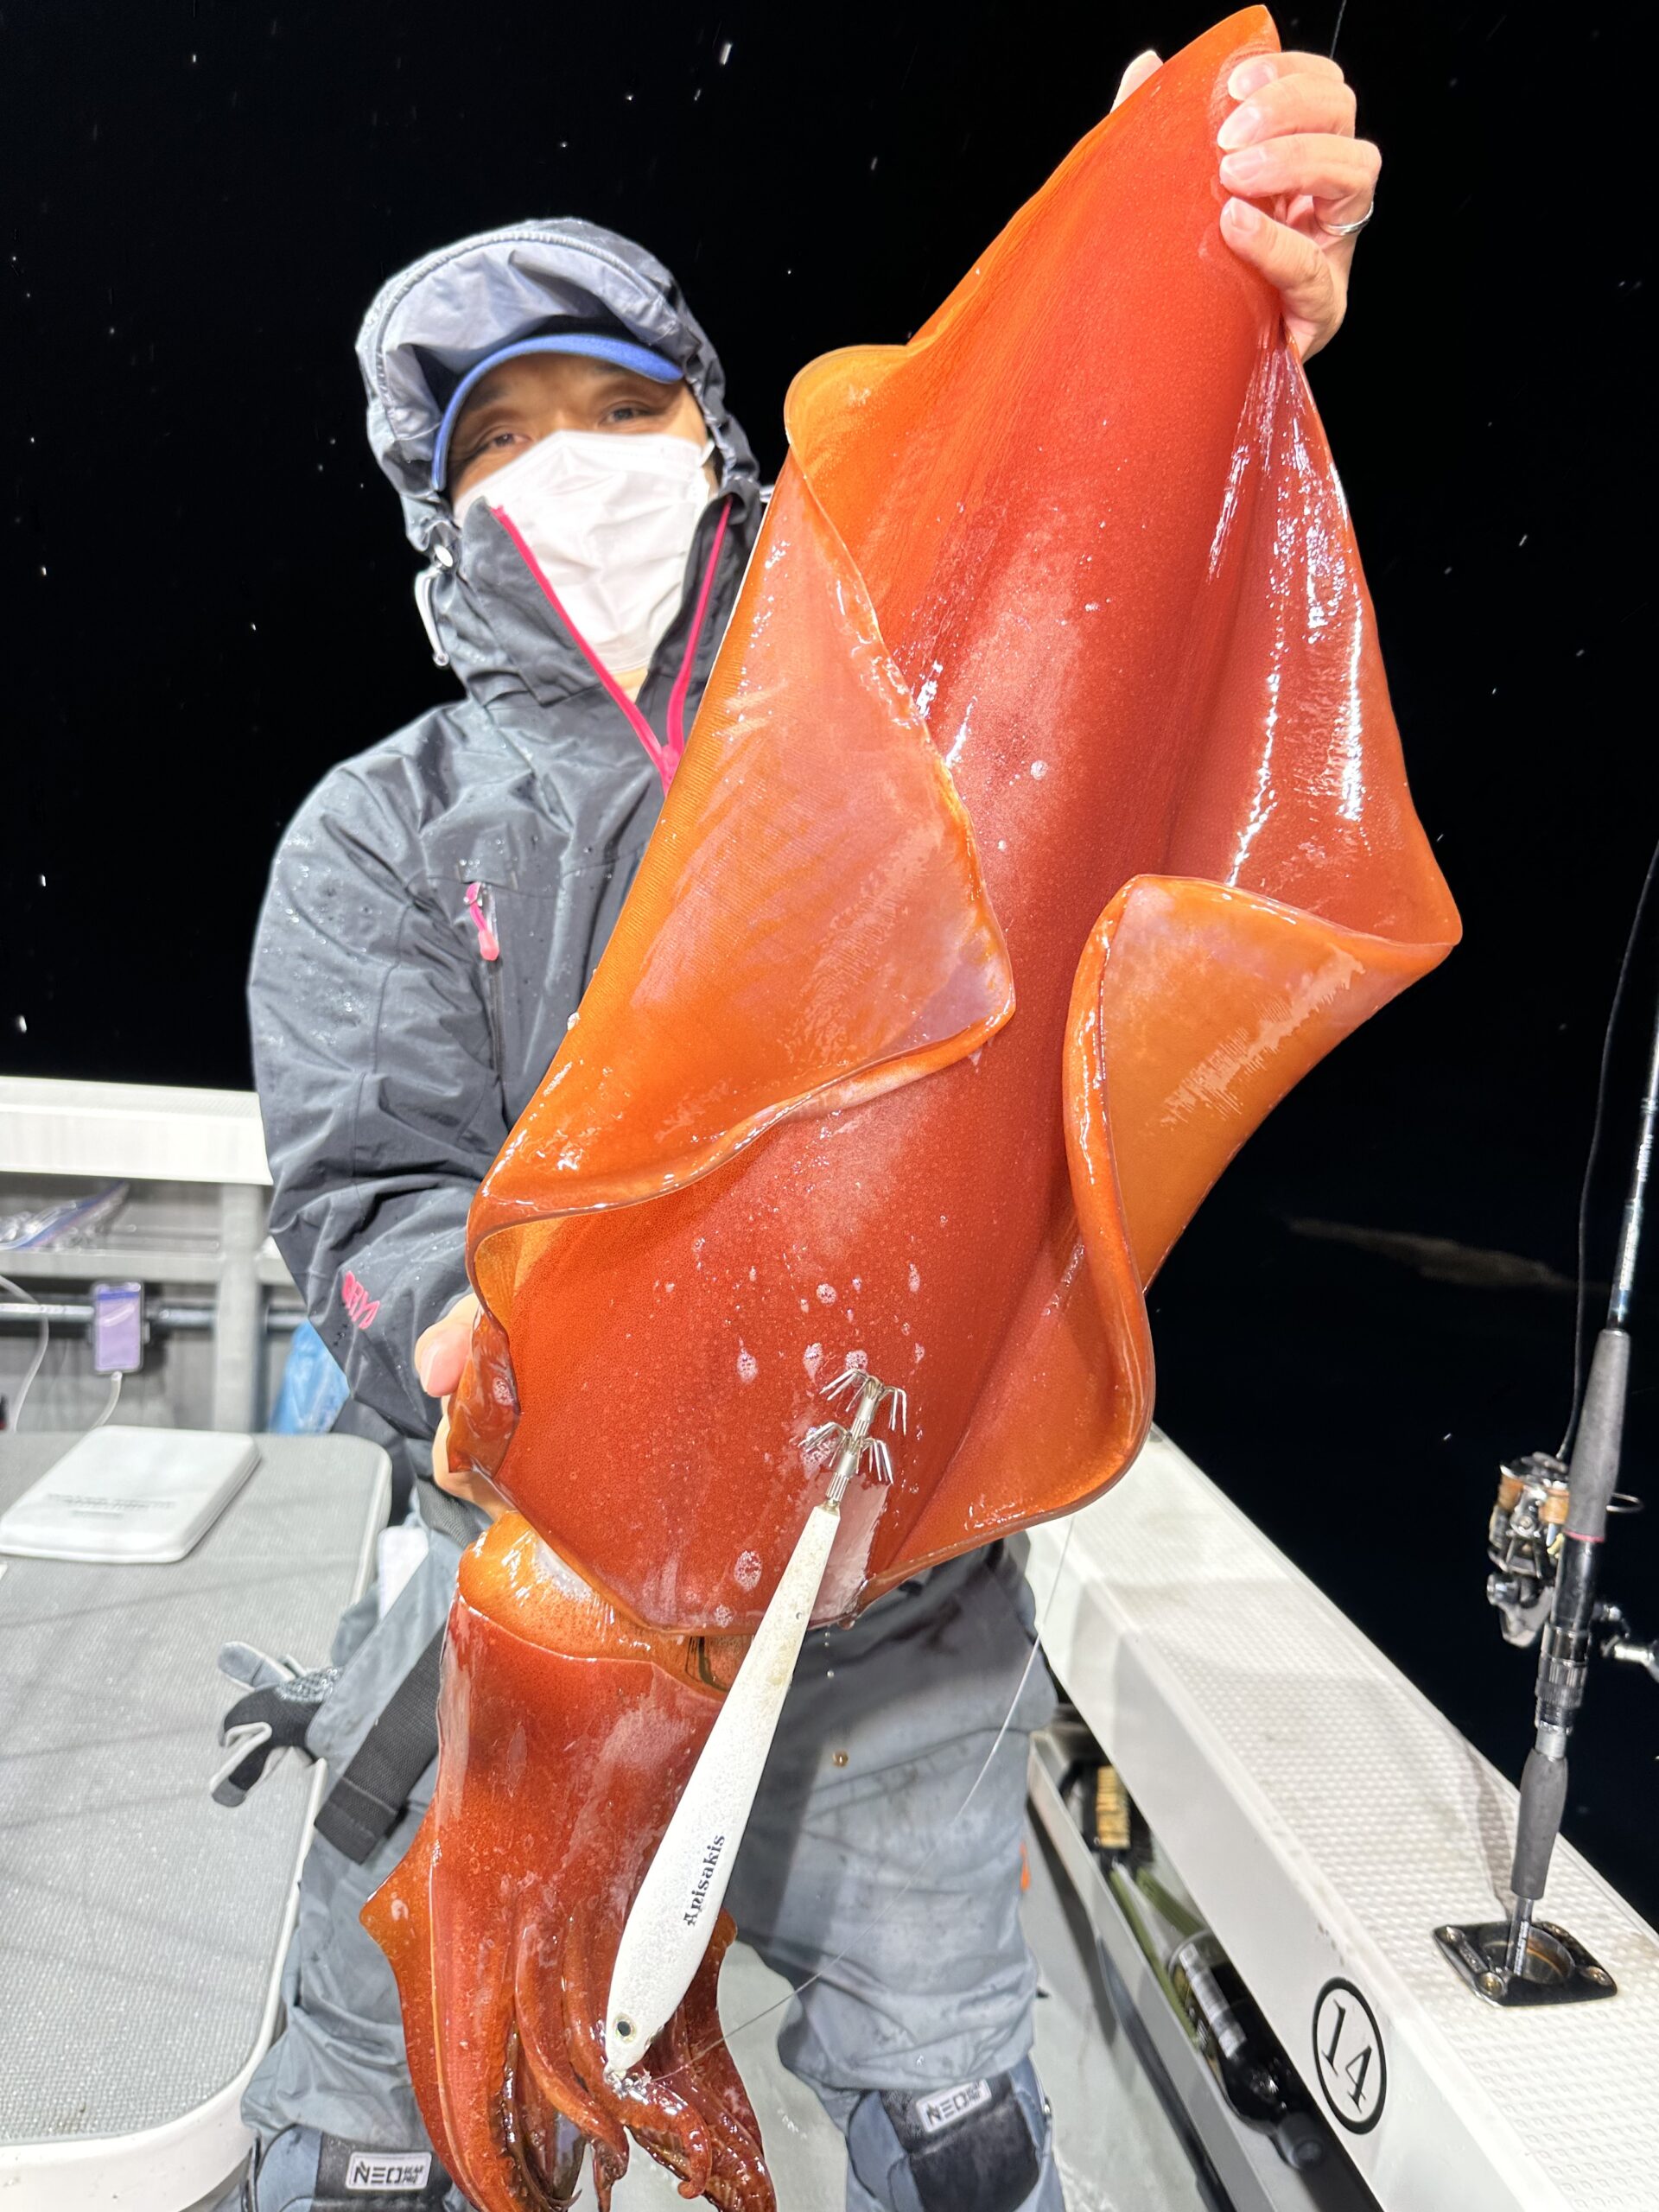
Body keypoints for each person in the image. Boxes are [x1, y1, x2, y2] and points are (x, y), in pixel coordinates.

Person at [234, 46, 1379, 2212]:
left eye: (614, 409)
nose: (568, 466)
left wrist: (1201, 303)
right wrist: (457, 1351)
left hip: (896, 1590)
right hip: (537, 1581)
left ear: (710, 430)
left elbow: (1094, 607)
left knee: (951, 2116)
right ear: (436, 504)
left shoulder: (911, 703)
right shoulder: (382, 834)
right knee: (397, 2097)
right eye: (502, 439)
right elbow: (368, 1196)